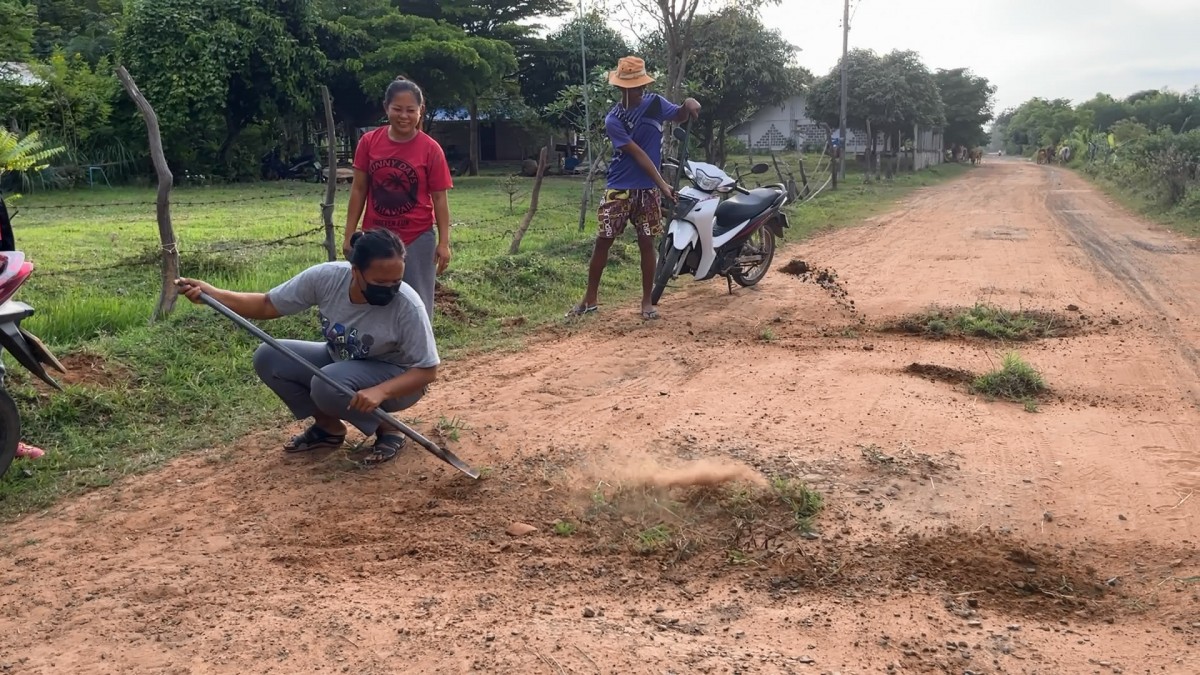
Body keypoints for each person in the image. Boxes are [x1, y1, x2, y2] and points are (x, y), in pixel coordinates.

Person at [177, 229, 439, 465]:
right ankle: (328, 430)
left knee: (327, 383)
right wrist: (213, 294)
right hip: (341, 362)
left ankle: (387, 428)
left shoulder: (408, 306)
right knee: (269, 357)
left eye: (396, 282)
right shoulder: (326, 278)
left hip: (396, 380)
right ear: (355, 271)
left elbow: (427, 370)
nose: (390, 289)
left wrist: (381, 391)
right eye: (380, 283)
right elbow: (267, 304)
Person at [567, 56, 700, 321]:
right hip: (620, 188)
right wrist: (662, 185)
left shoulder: (655, 104)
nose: (635, 91)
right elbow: (638, 154)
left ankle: (647, 301)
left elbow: (680, 116)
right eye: (629, 87)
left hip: (647, 190)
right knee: (603, 242)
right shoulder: (613, 120)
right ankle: (590, 298)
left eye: (638, 85)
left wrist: (688, 104)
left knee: (646, 244)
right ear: (620, 88)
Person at [344, 76, 452, 323]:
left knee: (418, 305)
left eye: (410, 110)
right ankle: (380, 357)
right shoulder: (369, 143)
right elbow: (359, 190)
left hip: (417, 237)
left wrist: (444, 242)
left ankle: (420, 358)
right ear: (386, 108)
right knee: (373, 301)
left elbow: (439, 198)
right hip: (375, 239)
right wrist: (349, 234)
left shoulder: (430, 148)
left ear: (420, 111)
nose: (404, 116)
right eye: (397, 109)